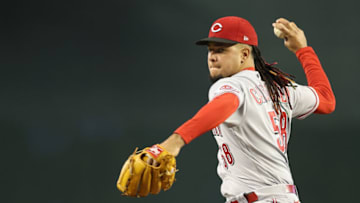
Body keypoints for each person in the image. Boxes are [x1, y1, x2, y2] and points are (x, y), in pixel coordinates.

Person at [157, 16, 335, 203]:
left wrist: (174, 142)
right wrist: (302, 50)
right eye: (210, 50)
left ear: (244, 54)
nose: (212, 56)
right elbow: (326, 100)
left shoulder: (232, 84)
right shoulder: (281, 89)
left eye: (221, 50)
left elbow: (227, 102)